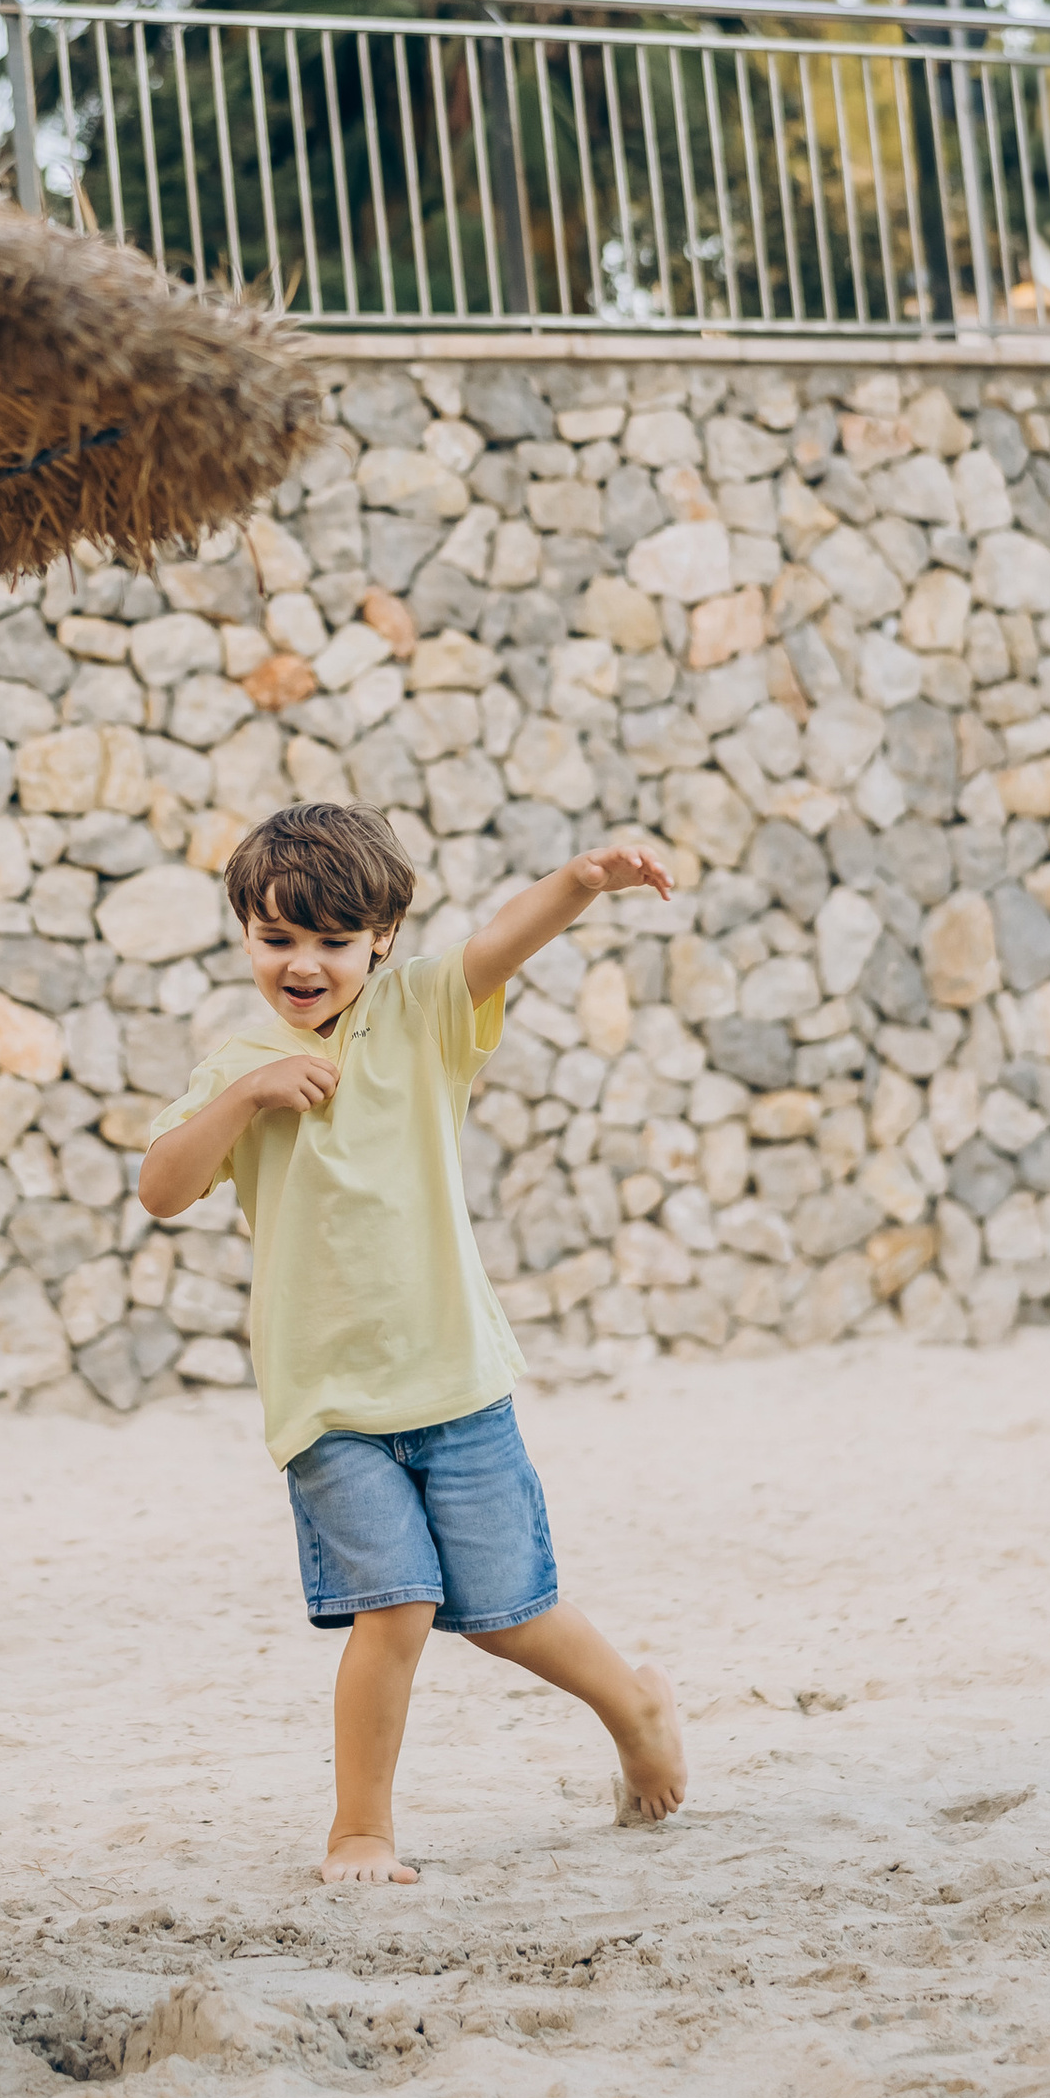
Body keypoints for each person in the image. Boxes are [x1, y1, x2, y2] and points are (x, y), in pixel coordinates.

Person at [138, 800, 684, 1886]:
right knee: (397, 1603)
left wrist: (582, 878)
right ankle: (360, 1830)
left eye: (333, 940)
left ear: (380, 937)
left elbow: (497, 941)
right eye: (277, 937)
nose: (303, 963)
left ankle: (635, 1703)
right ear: (244, 930)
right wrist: (247, 1095)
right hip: (328, 1405)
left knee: (508, 1612)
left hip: (454, 1377)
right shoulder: (239, 1059)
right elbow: (163, 1187)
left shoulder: (423, 1011)